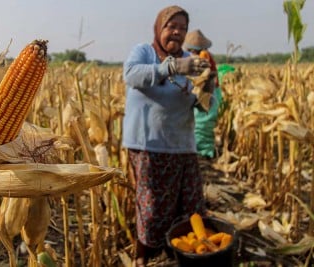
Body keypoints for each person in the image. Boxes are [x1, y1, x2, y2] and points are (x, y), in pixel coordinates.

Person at [121, 5, 215, 266]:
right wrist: (172, 67)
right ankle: (143, 255)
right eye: (171, 26)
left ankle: (185, 252)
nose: (177, 33)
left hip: (183, 145)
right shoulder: (145, 52)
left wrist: (208, 87)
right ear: (159, 28)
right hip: (148, 145)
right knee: (152, 208)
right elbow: (130, 76)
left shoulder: (192, 61)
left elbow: (203, 106)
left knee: (190, 205)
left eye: (182, 28)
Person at [183, 29, 221, 159]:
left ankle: (204, 152)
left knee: (202, 123)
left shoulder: (203, 56)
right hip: (207, 92)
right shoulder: (197, 56)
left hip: (208, 93)